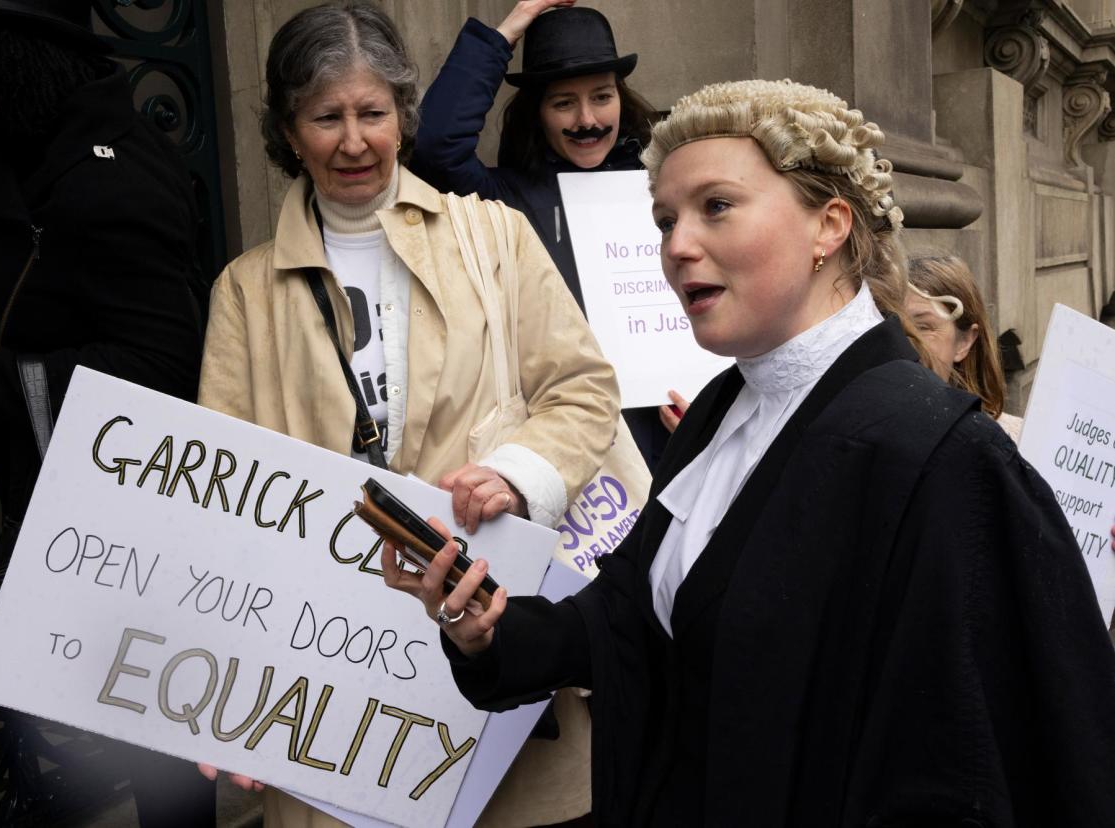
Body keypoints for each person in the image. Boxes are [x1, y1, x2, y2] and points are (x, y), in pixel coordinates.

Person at [384, 79, 1115, 825]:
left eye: (716, 207)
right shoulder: (718, 410)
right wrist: (487, 628)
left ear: (827, 224)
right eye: (665, 218)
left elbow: (965, 763)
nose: (676, 246)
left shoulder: (937, 455)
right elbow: (630, 617)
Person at [194, 2, 619, 825]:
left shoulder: (495, 236)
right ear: (288, 129)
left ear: (403, 115)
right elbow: (224, 502)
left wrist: (517, 475)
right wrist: (228, 696)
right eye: (326, 116)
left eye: (372, 113)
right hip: (330, 676)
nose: (353, 141)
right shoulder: (243, 291)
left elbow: (581, 388)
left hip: (489, 640)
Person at [0, 2, 212, 825]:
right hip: (51, 499)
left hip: (127, 525)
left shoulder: (109, 175)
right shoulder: (13, 151)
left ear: (16, 63)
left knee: (155, 752)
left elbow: (162, 370)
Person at [412, 1, 670, 465]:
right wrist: (507, 32)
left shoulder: (665, 184)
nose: (587, 120)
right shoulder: (505, 199)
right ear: (538, 113)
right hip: (560, 437)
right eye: (563, 103)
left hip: (663, 426)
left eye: (601, 96)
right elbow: (435, 147)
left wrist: (707, 400)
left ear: (621, 97)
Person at [905, 253, 1023, 440]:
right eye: (892, 323)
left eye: (923, 327)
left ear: (964, 341)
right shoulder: (857, 433)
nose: (905, 341)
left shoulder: (1016, 444)